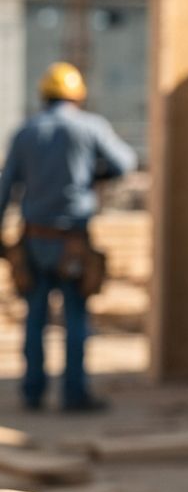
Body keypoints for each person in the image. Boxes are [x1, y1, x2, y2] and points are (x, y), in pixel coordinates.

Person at [0, 62, 137, 412]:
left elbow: (6, 186)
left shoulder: (26, 132)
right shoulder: (90, 127)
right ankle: (74, 394)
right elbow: (125, 163)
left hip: (34, 239)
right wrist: (93, 172)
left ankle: (32, 393)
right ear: (77, 95)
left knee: (35, 316)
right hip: (72, 242)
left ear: (44, 95)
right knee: (75, 316)